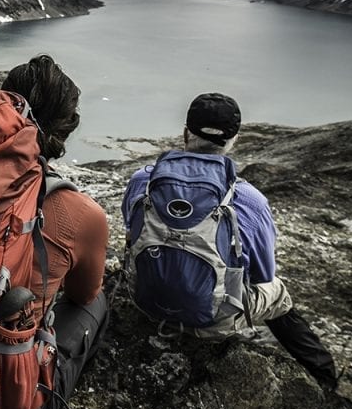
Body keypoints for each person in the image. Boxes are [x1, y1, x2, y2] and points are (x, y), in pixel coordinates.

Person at [121, 92, 338, 389]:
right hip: (213, 321)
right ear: (234, 140)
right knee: (277, 292)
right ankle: (324, 375)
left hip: (145, 302)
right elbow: (262, 274)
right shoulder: (250, 200)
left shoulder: (142, 181)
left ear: (186, 133)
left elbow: (131, 237)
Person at [0, 55, 110, 409]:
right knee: (97, 301)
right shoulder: (80, 213)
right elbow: (83, 293)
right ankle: (54, 406)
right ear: (66, 127)